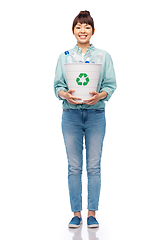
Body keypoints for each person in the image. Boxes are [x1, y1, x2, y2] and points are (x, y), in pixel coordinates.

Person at [54, 10, 117, 228]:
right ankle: (76, 213)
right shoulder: (64, 56)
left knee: (93, 166)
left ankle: (92, 214)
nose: (83, 30)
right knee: (74, 167)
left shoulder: (103, 56)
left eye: (87, 26)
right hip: (70, 115)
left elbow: (110, 84)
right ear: (73, 31)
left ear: (93, 31)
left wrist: (100, 95)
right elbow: (58, 85)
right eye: (79, 27)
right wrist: (65, 95)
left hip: (96, 114)